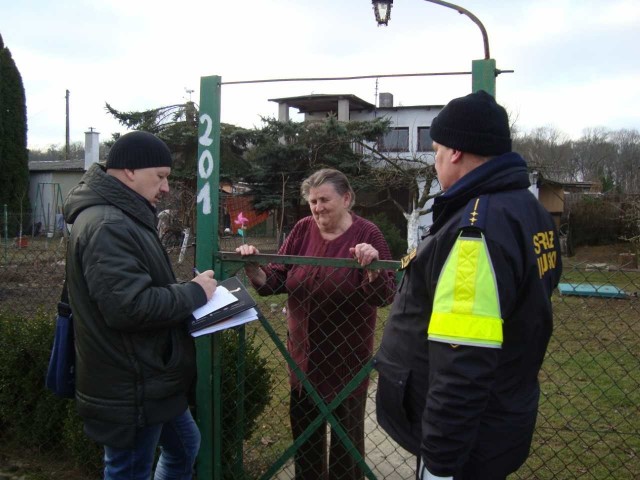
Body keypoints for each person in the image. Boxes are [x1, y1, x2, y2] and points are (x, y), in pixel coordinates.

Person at [374, 91, 563, 480]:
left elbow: (464, 362)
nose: (436, 160)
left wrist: (440, 467)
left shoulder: (476, 230)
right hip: (500, 418)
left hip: (462, 447)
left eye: (438, 149)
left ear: (456, 152)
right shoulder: (530, 210)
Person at [63, 131, 217, 480]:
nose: (165, 188)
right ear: (130, 171)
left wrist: (184, 291)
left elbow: (132, 289)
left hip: (149, 375)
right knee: (128, 471)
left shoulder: (124, 215)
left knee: (185, 447)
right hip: (130, 381)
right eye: (161, 176)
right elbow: (129, 307)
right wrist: (194, 293)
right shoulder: (108, 224)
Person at [236, 168, 396, 480]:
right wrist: (253, 266)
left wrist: (372, 267)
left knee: (345, 447)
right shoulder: (301, 230)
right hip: (303, 361)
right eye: (313, 201)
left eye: (325, 199)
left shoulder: (368, 234)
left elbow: (386, 294)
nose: (317, 207)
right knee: (306, 442)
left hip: (346, 364)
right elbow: (276, 278)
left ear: (347, 198)